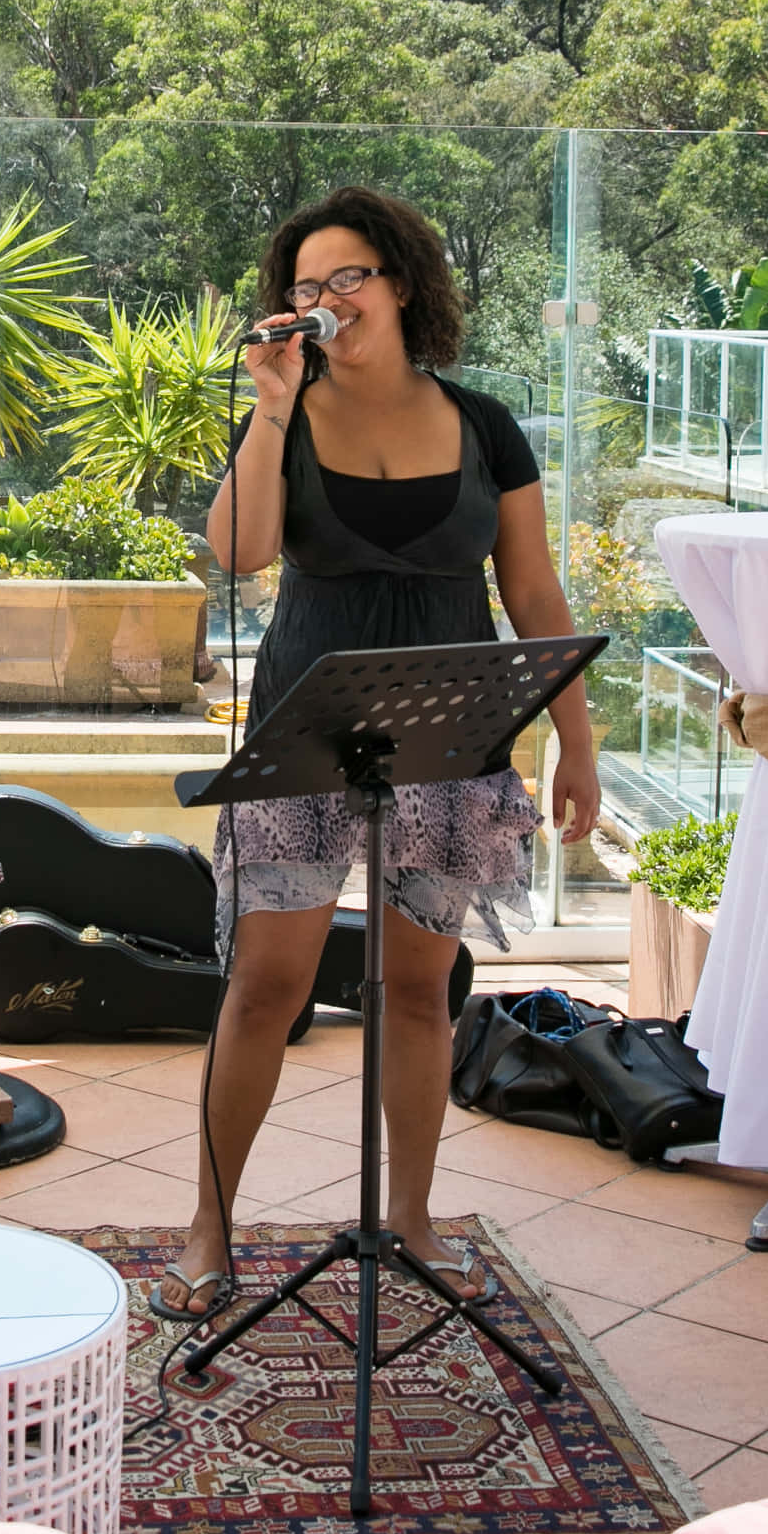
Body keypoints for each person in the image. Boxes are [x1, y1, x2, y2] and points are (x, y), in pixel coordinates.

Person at [162, 186, 602, 1323]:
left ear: (401, 283)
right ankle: (211, 1231)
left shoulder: (485, 422)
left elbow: (534, 589)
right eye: (304, 287)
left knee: (418, 991)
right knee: (266, 987)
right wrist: (267, 412)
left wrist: (575, 741)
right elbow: (240, 556)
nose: (324, 301)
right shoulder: (279, 414)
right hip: (310, 731)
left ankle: (409, 1220)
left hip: (453, 738)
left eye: (347, 277)